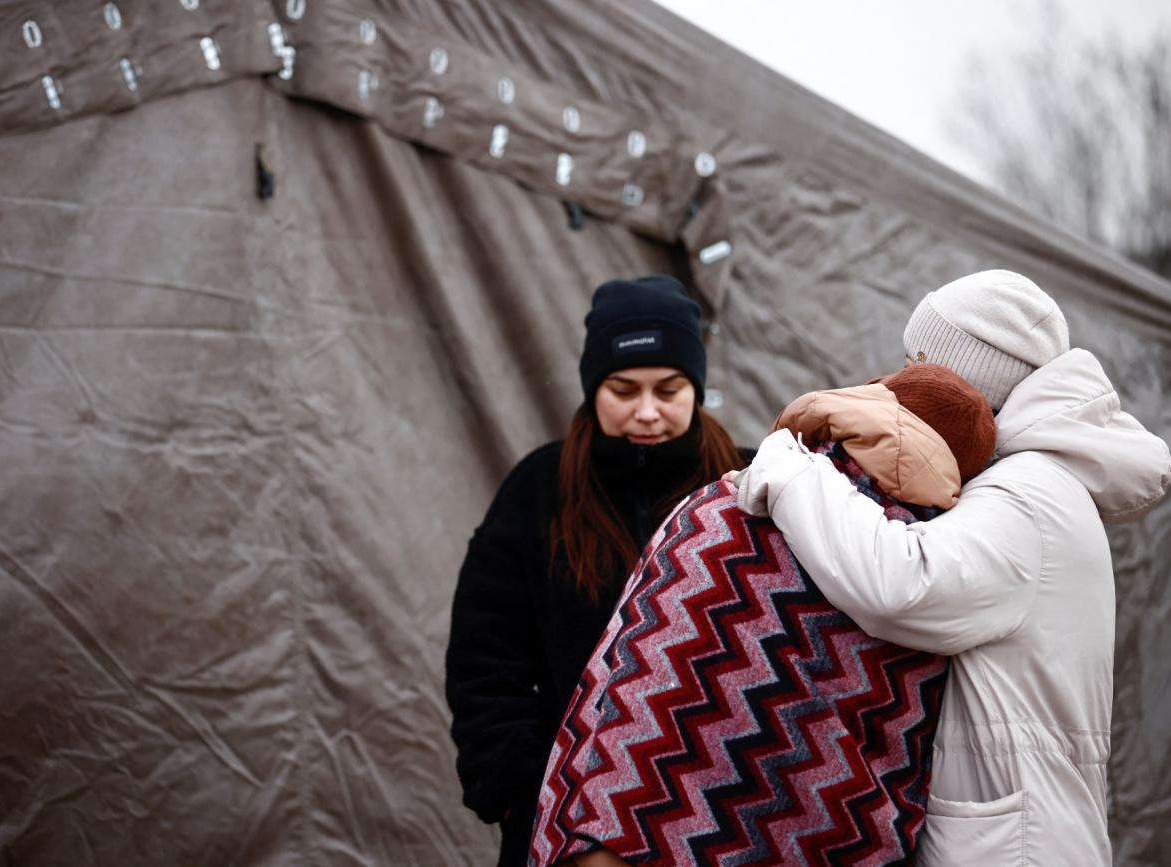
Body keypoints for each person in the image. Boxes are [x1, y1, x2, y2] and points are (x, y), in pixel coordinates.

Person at [733, 269, 1171, 866]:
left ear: (964, 381)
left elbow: (902, 586)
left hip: (1013, 850)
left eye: (916, 364)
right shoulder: (1029, 483)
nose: (899, 384)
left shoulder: (1028, 494)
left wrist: (790, 469)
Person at [529, 363, 997, 867]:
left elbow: (618, 676)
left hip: (623, 833)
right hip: (828, 834)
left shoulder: (723, 502)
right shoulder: (947, 579)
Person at [445, 275, 747, 867]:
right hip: (570, 824)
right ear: (592, 389)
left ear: (697, 387)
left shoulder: (746, 485)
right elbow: (484, 661)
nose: (647, 411)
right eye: (622, 388)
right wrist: (525, 799)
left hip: (723, 818)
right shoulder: (539, 490)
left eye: (669, 388)